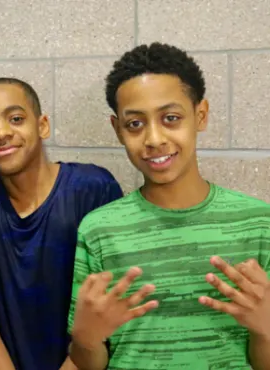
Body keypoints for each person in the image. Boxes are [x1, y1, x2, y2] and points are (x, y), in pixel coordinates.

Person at [67, 42, 270, 370]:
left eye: (171, 118)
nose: (154, 138)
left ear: (200, 115)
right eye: (135, 124)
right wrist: (86, 340)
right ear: (117, 129)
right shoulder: (99, 229)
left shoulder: (259, 223)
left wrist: (266, 331)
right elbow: (88, 361)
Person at [0, 77, 123, 370]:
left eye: (15, 119)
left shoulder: (93, 189)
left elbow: (106, 314)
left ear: (42, 125)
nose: (1, 133)